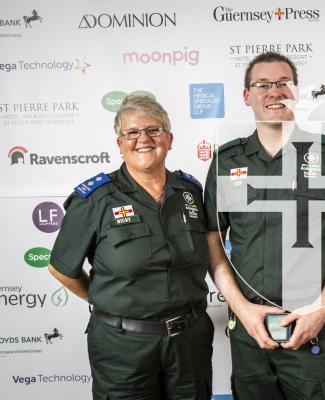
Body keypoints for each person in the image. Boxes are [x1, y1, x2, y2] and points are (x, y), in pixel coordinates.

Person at [204, 52, 325, 399]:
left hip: (312, 328)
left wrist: (321, 310)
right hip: (250, 331)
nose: (274, 92)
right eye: (263, 85)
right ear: (246, 96)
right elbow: (212, 242)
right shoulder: (226, 160)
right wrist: (243, 310)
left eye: (283, 83)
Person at [48, 95, 213, 400]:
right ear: (119, 143)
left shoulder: (190, 192)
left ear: (170, 139)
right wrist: (110, 303)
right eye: (132, 133)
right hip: (123, 346)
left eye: (154, 130)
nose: (144, 139)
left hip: (189, 341)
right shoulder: (95, 199)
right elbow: (61, 268)